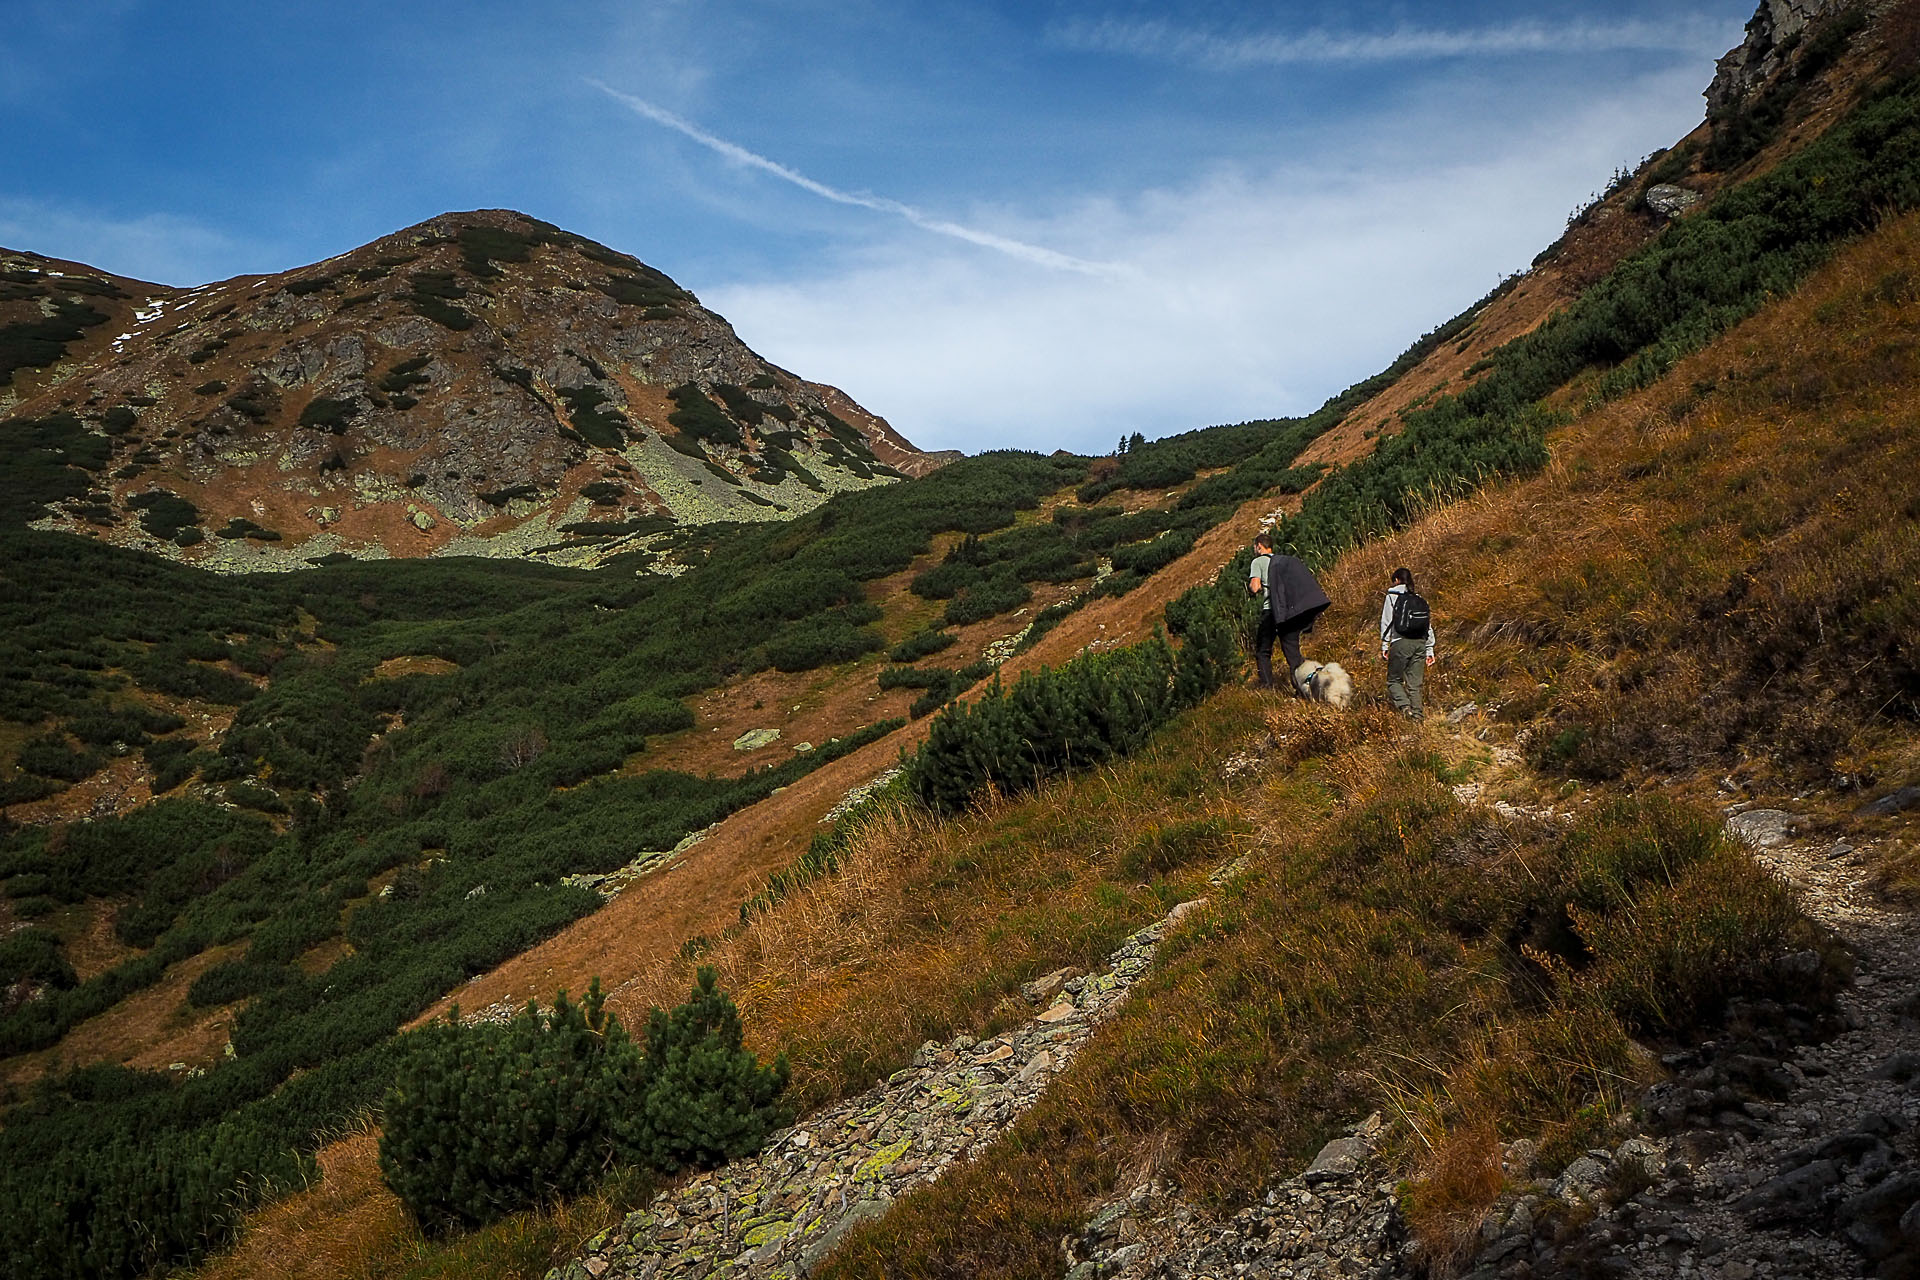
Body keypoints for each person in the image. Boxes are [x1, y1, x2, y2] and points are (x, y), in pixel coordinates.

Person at [1247, 531, 1332, 693]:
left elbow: (1255, 586)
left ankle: (1267, 689)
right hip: (1288, 614)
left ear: (1259, 546)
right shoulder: (1282, 562)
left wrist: (1252, 589)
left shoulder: (1258, 561)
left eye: (1254, 547)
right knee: (1292, 654)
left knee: (1263, 651)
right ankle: (1303, 689)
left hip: (1271, 612)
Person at [1380, 566, 1436, 719]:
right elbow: (1428, 626)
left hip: (1400, 642)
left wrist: (1385, 645)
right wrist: (1430, 649)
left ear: (1397, 580)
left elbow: (1387, 622)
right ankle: (1417, 718)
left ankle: (1405, 708)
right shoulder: (1418, 598)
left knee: (1393, 680)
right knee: (1415, 684)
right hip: (1420, 644)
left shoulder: (1391, 596)